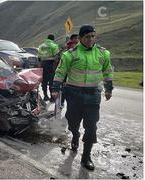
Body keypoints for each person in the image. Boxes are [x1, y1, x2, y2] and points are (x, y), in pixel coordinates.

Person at [52, 25, 114, 171]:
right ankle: (75, 135)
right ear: (80, 38)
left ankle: (86, 157)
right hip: (74, 94)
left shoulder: (103, 53)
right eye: (87, 37)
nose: (91, 39)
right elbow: (61, 72)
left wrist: (109, 89)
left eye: (93, 36)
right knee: (73, 122)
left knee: (91, 126)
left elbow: (108, 71)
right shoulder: (70, 54)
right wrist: (55, 89)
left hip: (93, 95)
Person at [37, 34, 59, 101]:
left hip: (43, 64)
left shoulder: (41, 46)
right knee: (51, 81)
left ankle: (45, 96)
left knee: (44, 81)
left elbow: (39, 57)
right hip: (51, 64)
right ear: (53, 39)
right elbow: (56, 57)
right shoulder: (54, 46)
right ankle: (52, 97)